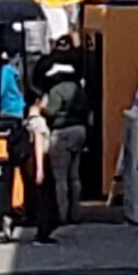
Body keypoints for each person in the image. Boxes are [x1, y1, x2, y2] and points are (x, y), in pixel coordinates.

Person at [38, 59, 90, 226]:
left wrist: (41, 108)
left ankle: (62, 214)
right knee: (74, 176)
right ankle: (76, 213)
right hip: (80, 131)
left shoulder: (56, 90)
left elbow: (51, 112)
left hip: (62, 132)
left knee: (60, 177)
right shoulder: (80, 91)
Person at [17, 95, 59, 243]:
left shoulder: (25, 121)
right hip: (39, 160)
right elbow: (39, 144)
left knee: (33, 196)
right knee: (45, 198)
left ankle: (18, 220)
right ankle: (43, 231)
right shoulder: (39, 122)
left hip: (27, 162)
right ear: (38, 101)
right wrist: (40, 168)